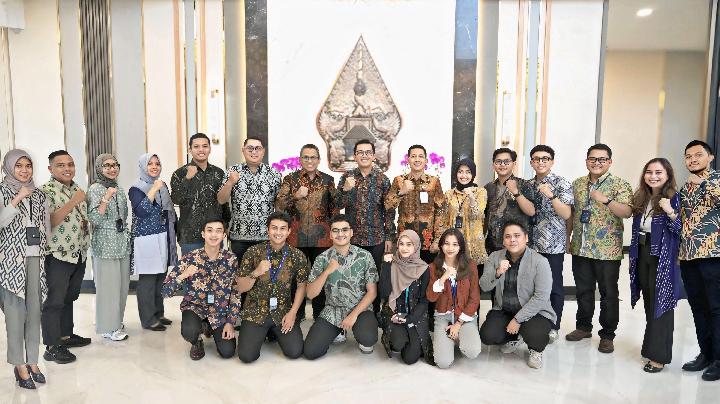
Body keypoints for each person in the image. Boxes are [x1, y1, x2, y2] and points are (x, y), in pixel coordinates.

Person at [566, 144, 632, 354]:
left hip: (607, 251)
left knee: (608, 293)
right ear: (586, 161)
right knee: (583, 291)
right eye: (592, 159)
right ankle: (583, 327)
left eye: (602, 159)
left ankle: (607, 335)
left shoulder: (620, 184)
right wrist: (568, 237)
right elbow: (573, 213)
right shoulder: (577, 184)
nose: (597, 163)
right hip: (581, 247)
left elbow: (627, 212)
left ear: (610, 162)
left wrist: (606, 200)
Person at [0, 150, 50, 389]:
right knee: (15, 315)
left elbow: (45, 226)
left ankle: (33, 360)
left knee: (34, 313)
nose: (24, 170)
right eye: (18, 165)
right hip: (11, 262)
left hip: (35, 259)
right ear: (9, 167)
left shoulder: (39, 194)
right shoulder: (2, 191)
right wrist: (17, 199)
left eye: (28, 165)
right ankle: (19, 364)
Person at [628, 158, 681, 373]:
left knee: (662, 303)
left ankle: (659, 357)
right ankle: (650, 348)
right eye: (649, 172)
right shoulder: (642, 197)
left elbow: (682, 230)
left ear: (668, 175)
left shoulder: (675, 198)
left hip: (663, 256)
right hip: (643, 251)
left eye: (659, 172)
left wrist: (670, 212)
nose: (653, 176)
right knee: (650, 301)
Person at [479, 221, 556, 369]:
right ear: (503, 241)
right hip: (505, 310)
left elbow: (541, 297)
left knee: (535, 335)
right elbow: (484, 286)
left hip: (535, 313)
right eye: (508, 236)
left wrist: (517, 319)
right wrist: (498, 272)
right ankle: (516, 336)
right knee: (488, 336)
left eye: (517, 235)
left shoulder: (540, 261)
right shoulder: (495, 257)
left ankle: (536, 350)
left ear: (526, 238)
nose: (512, 240)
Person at [235, 211, 309, 363]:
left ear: (289, 231)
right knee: (246, 357)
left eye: (282, 228)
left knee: (295, 352)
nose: (278, 232)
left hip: (282, 311)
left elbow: (301, 286)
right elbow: (240, 288)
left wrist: (293, 313)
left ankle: (272, 332)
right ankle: (264, 332)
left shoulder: (297, 255)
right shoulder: (253, 252)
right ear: (268, 230)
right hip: (255, 311)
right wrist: (256, 272)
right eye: (274, 228)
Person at [162, 218, 240, 360]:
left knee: (227, 352)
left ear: (224, 235)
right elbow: (165, 292)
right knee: (189, 331)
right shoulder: (190, 258)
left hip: (219, 311)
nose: (214, 235)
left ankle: (208, 327)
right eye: (209, 230)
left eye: (218, 231)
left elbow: (236, 292)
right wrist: (184, 275)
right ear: (203, 234)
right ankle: (196, 341)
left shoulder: (230, 259)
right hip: (195, 307)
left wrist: (230, 322)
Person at [303, 214, 379, 359]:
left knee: (368, 338)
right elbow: (311, 294)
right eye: (335, 230)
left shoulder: (365, 256)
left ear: (351, 232)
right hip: (333, 309)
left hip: (360, 309)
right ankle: (339, 330)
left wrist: (352, 316)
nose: (340, 234)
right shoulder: (322, 258)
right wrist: (327, 271)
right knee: (311, 352)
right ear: (330, 234)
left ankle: (360, 332)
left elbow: (372, 292)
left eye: (344, 230)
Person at [40, 150, 91, 365]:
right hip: (57, 254)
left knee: (69, 297)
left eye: (70, 164)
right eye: (60, 165)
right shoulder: (45, 191)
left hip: (78, 252)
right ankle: (52, 347)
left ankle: (65, 336)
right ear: (50, 169)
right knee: (54, 300)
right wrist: (73, 202)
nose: (67, 168)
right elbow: (49, 222)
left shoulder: (77, 188)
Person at [274, 144, 336, 320]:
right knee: (296, 278)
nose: (310, 160)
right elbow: (279, 205)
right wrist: (295, 196)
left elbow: (334, 208)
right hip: (296, 237)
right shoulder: (290, 179)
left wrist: (334, 233)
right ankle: (297, 313)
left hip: (322, 239)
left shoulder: (328, 180)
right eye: (306, 157)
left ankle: (320, 315)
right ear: (300, 159)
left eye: (313, 157)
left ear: (319, 160)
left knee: (320, 278)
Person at [336, 139, 396, 315]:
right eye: (360, 152)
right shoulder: (347, 177)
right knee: (351, 276)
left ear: (374, 156)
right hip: (352, 239)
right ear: (355, 156)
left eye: (368, 152)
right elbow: (337, 204)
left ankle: (373, 313)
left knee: (373, 277)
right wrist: (345, 190)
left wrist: (389, 236)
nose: (364, 155)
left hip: (376, 238)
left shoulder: (382, 179)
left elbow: (389, 210)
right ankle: (351, 312)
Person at [678, 140, 720, 381]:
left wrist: (703, 183)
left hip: (713, 254)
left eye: (698, 155)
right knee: (698, 307)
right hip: (688, 255)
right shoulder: (686, 187)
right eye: (688, 156)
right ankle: (706, 353)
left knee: (716, 307)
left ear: (710, 157)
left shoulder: (716, 180)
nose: (692, 159)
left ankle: (719, 359)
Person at [527, 145, 573, 343]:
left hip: (553, 244)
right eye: (536, 159)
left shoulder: (561, 183)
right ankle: (533, 323)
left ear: (552, 161)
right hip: (530, 245)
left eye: (545, 158)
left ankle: (554, 325)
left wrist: (551, 195)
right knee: (532, 286)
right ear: (531, 162)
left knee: (554, 287)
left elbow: (567, 214)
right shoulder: (528, 185)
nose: (541, 162)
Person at [129, 153, 178, 331]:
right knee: (148, 280)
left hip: (162, 235)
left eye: (157, 163)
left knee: (160, 277)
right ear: (143, 166)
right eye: (150, 163)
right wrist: (154, 189)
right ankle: (148, 319)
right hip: (146, 238)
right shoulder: (136, 188)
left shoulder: (161, 186)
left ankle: (158, 313)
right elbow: (142, 211)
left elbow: (168, 210)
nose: (154, 166)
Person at [87, 154, 131, 342]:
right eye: (107, 166)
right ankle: (107, 327)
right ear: (99, 168)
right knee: (108, 287)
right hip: (105, 243)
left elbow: (123, 216)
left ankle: (116, 321)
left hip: (121, 241)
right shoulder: (95, 189)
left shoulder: (118, 188)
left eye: (115, 165)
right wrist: (105, 198)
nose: (112, 169)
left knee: (121, 286)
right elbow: (94, 219)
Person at [218, 136, 281, 263]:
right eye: (250, 148)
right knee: (241, 273)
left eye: (258, 148)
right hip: (239, 237)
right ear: (243, 150)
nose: (254, 152)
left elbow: (278, 205)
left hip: (266, 237)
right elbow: (221, 200)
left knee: (265, 274)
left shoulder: (273, 174)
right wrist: (230, 182)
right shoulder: (233, 171)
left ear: (263, 151)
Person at [426, 228, 481, 369]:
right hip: (443, 317)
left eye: (455, 244)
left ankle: (458, 336)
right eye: (446, 243)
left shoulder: (470, 265)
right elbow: (431, 297)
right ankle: (450, 339)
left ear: (461, 246)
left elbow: (474, 298)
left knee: (472, 351)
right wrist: (443, 278)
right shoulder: (433, 267)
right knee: (443, 363)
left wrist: (458, 324)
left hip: (465, 317)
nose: (450, 248)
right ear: (441, 246)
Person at [378, 230, 433, 365]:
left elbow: (424, 301)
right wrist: (386, 266)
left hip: (415, 316)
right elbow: (384, 293)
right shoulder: (392, 264)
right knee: (398, 343)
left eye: (409, 244)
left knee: (410, 358)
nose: (404, 248)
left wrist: (410, 319)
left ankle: (409, 335)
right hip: (394, 313)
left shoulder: (423, 268)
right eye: (401, 244)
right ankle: (398, 337)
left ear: (416, 246)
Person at [171, 133, 229, 256]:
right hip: (190, 237)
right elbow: (176, 199)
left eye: (205, 146)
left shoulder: (219, 173)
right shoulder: (180, 173)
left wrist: (226, 226)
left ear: (210, 149)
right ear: (190, 150)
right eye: (196, 146)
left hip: (214, 236)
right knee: (191, 268)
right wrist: (187, 179)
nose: (201, 150)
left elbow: (224, 204)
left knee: (215, 268)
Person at [385, 144, 446, 264]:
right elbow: (388, 207)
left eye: (420, 156)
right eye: (413, 156)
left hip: (427, 242)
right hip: (405, 242)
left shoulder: (434, 182)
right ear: (408, 160)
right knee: (406, 273)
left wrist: (438, 240)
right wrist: (401, 192)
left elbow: (441, 211)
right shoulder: (399, 181)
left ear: (426, 160)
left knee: (427, 273)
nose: (417, 159)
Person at [484, 148, 535, 254]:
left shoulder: (524, 185)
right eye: (498, 161)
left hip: (515, 244)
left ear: (514, 164)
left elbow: (531, 211)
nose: (502, 164)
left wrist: (516, 192)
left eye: (506, 161)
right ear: (493, 164)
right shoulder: (488, 187)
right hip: (492, 245)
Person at [444, 158, 488, 269]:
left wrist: (472, 197)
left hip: (473, 242)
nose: (464, 175)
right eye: (460, 172)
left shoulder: (480, 192)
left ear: (473, 174)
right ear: (456, 174)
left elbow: (478, 216)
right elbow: (445, 219)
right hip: (454, 242)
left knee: (474, 275)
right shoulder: (449, 194)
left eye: (468, 172)